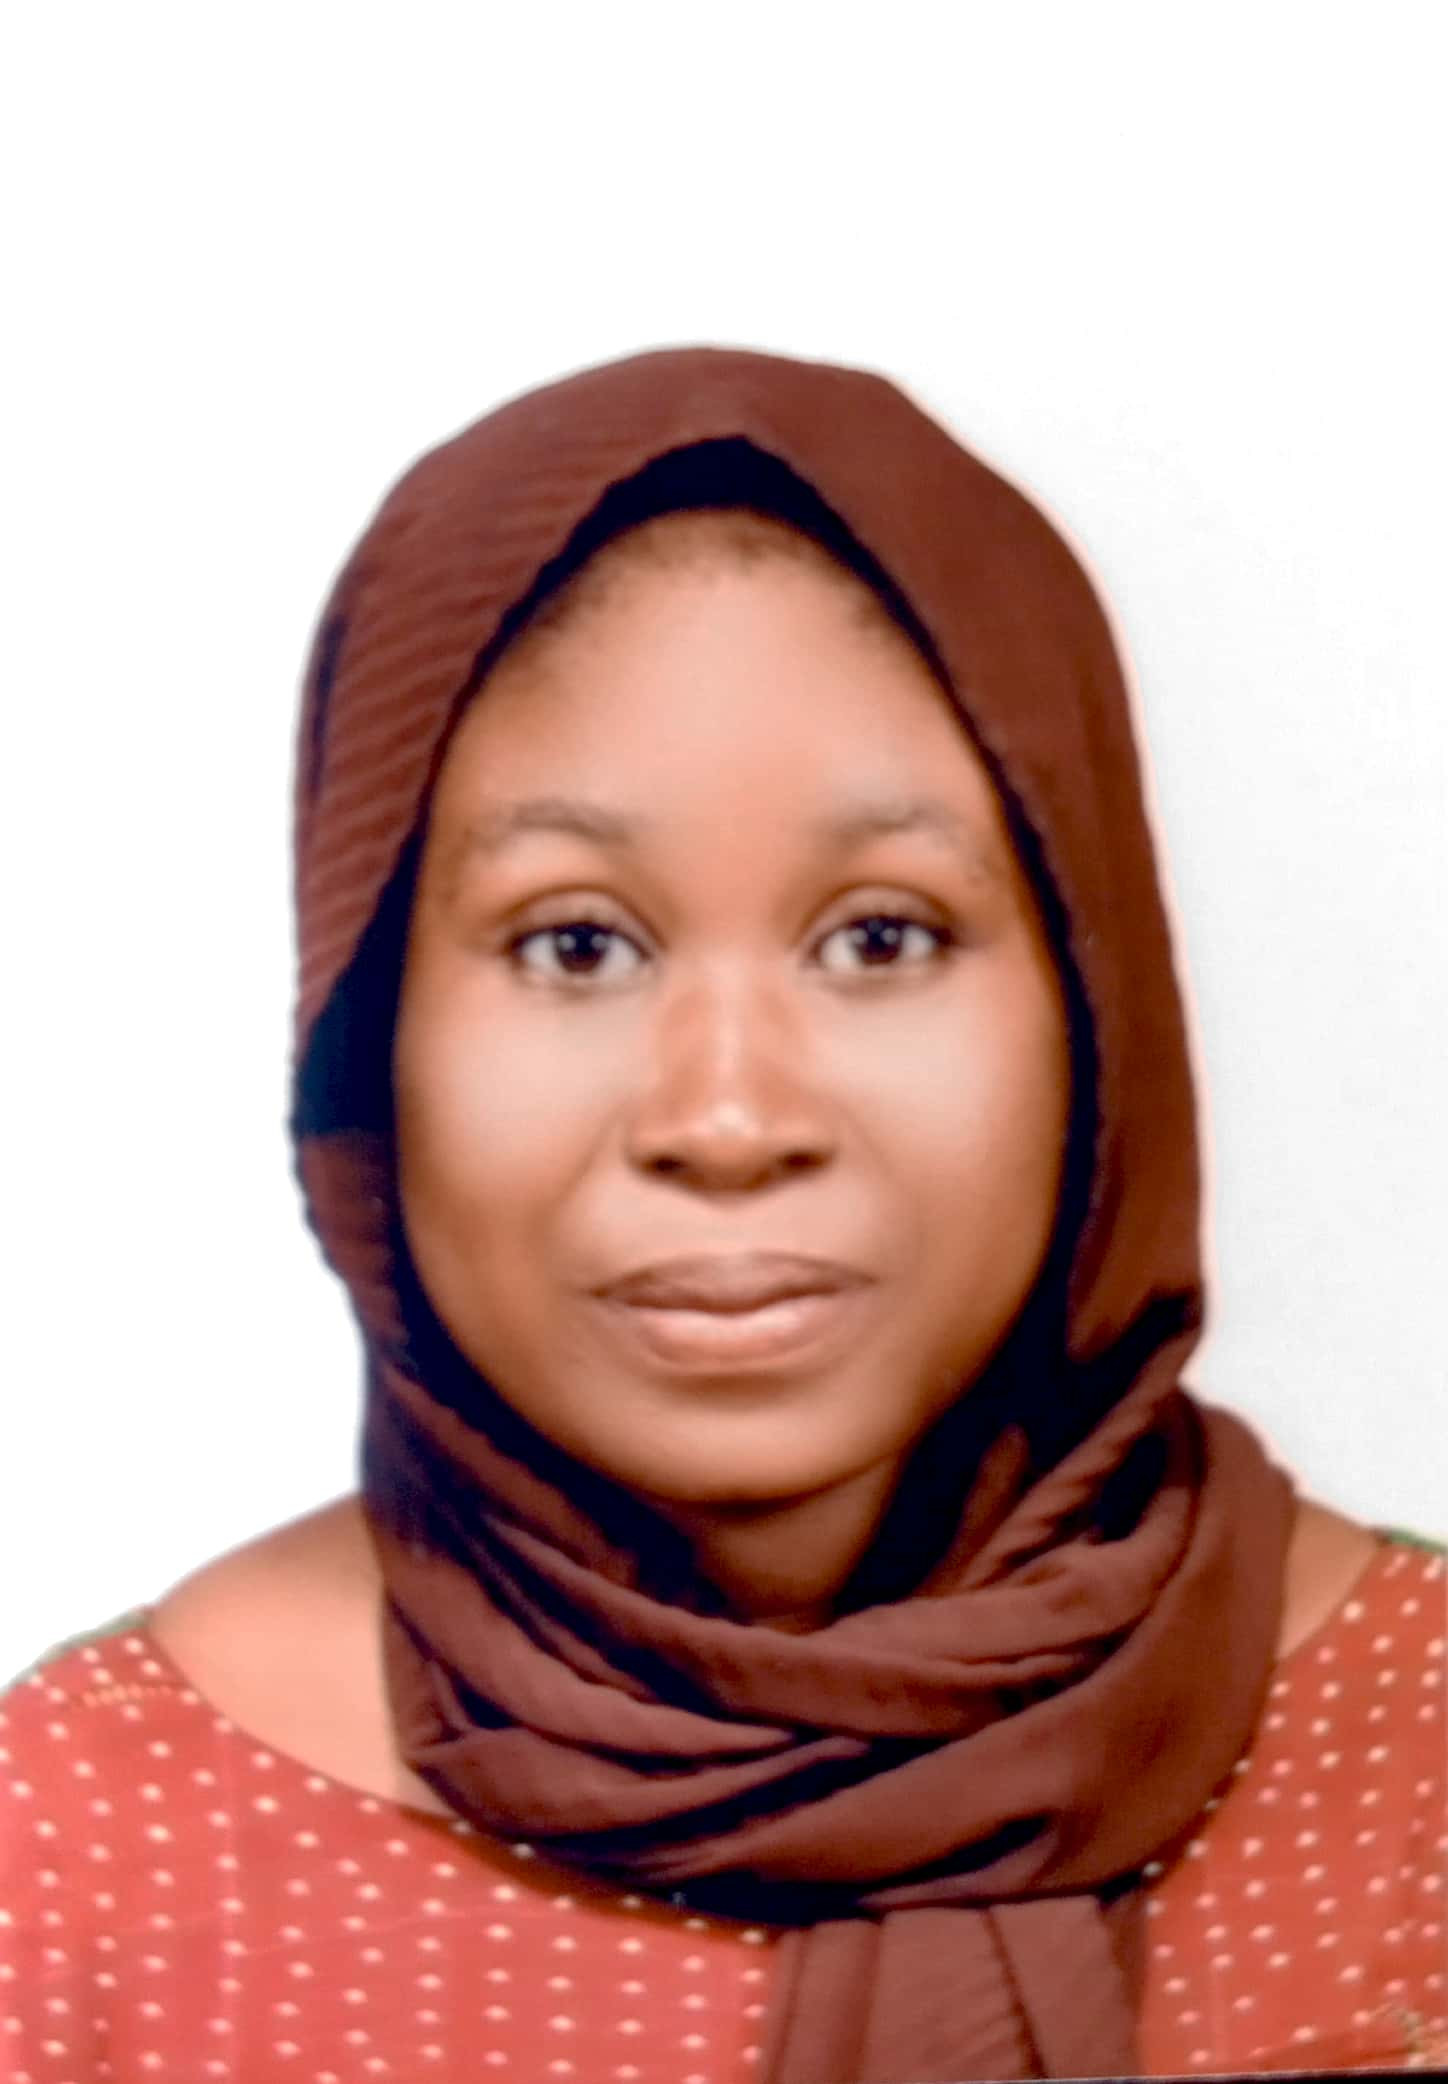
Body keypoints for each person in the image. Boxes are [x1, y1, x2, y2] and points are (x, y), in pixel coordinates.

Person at [2, 347, 1443, 2084]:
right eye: (575, 943)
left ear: (1095, 1004)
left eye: (883, 936)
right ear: (371, 1045)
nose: (730, 1119)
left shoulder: (1422, 1761)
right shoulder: (76, 1854)